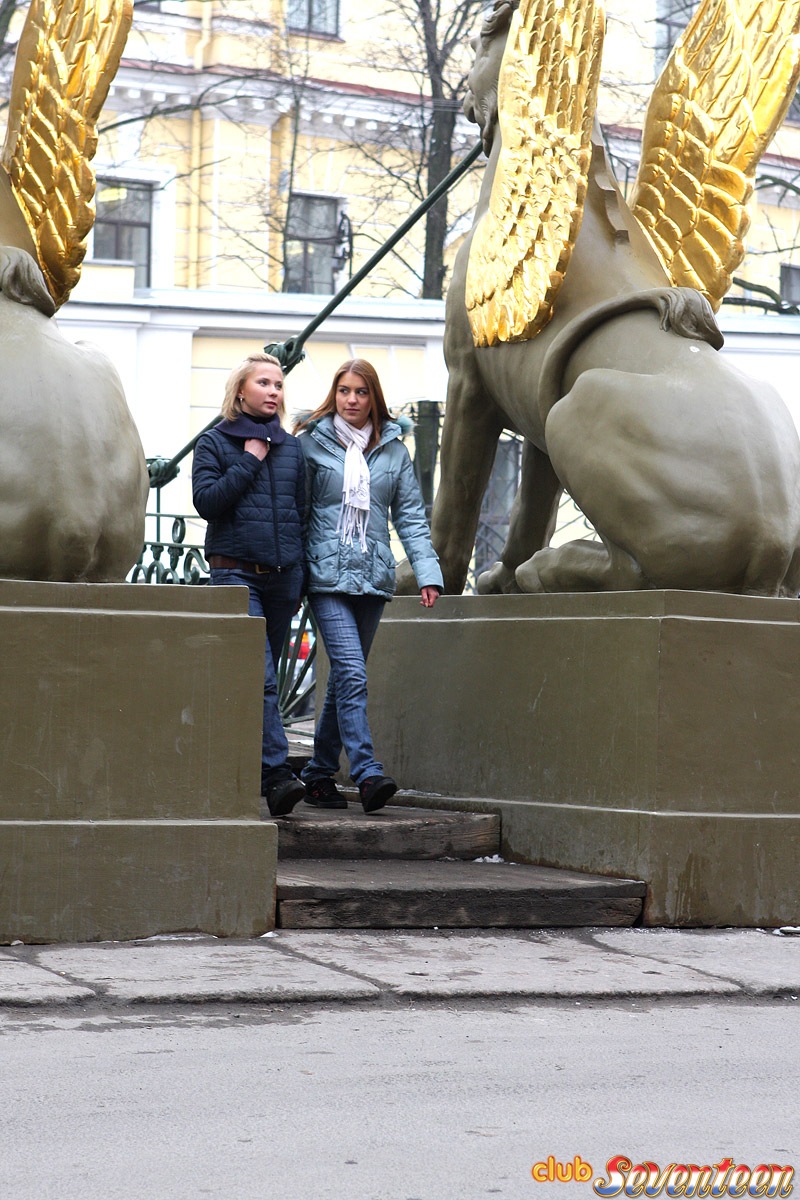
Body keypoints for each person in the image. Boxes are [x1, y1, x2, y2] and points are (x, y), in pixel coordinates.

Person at [295, 358, 443, 813]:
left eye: (361, 392)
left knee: (345, 677)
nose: (352, 400)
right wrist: (290, 575)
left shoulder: (394, 451)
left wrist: (427, 572)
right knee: (353, 673)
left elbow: (411, 517)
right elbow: (297, 512)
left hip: (373, 577)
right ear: (334, 395)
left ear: (374, 397)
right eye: (344, 391)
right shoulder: (310, 444)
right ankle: (366, 772)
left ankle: (318, 773)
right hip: (325, 576)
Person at [192, 352, 307, 817]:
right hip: (236, 574)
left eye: (278, 384)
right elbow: (207, 503)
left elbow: (302, 516)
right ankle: (276, 776)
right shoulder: (214, 442)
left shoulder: (292, 448)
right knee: (261, 680)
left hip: (282, 581)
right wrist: (248, 460)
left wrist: (299, 580)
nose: (273, 391)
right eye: (263, 383)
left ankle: (246, 767)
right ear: (240, 391)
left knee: (258, 681)